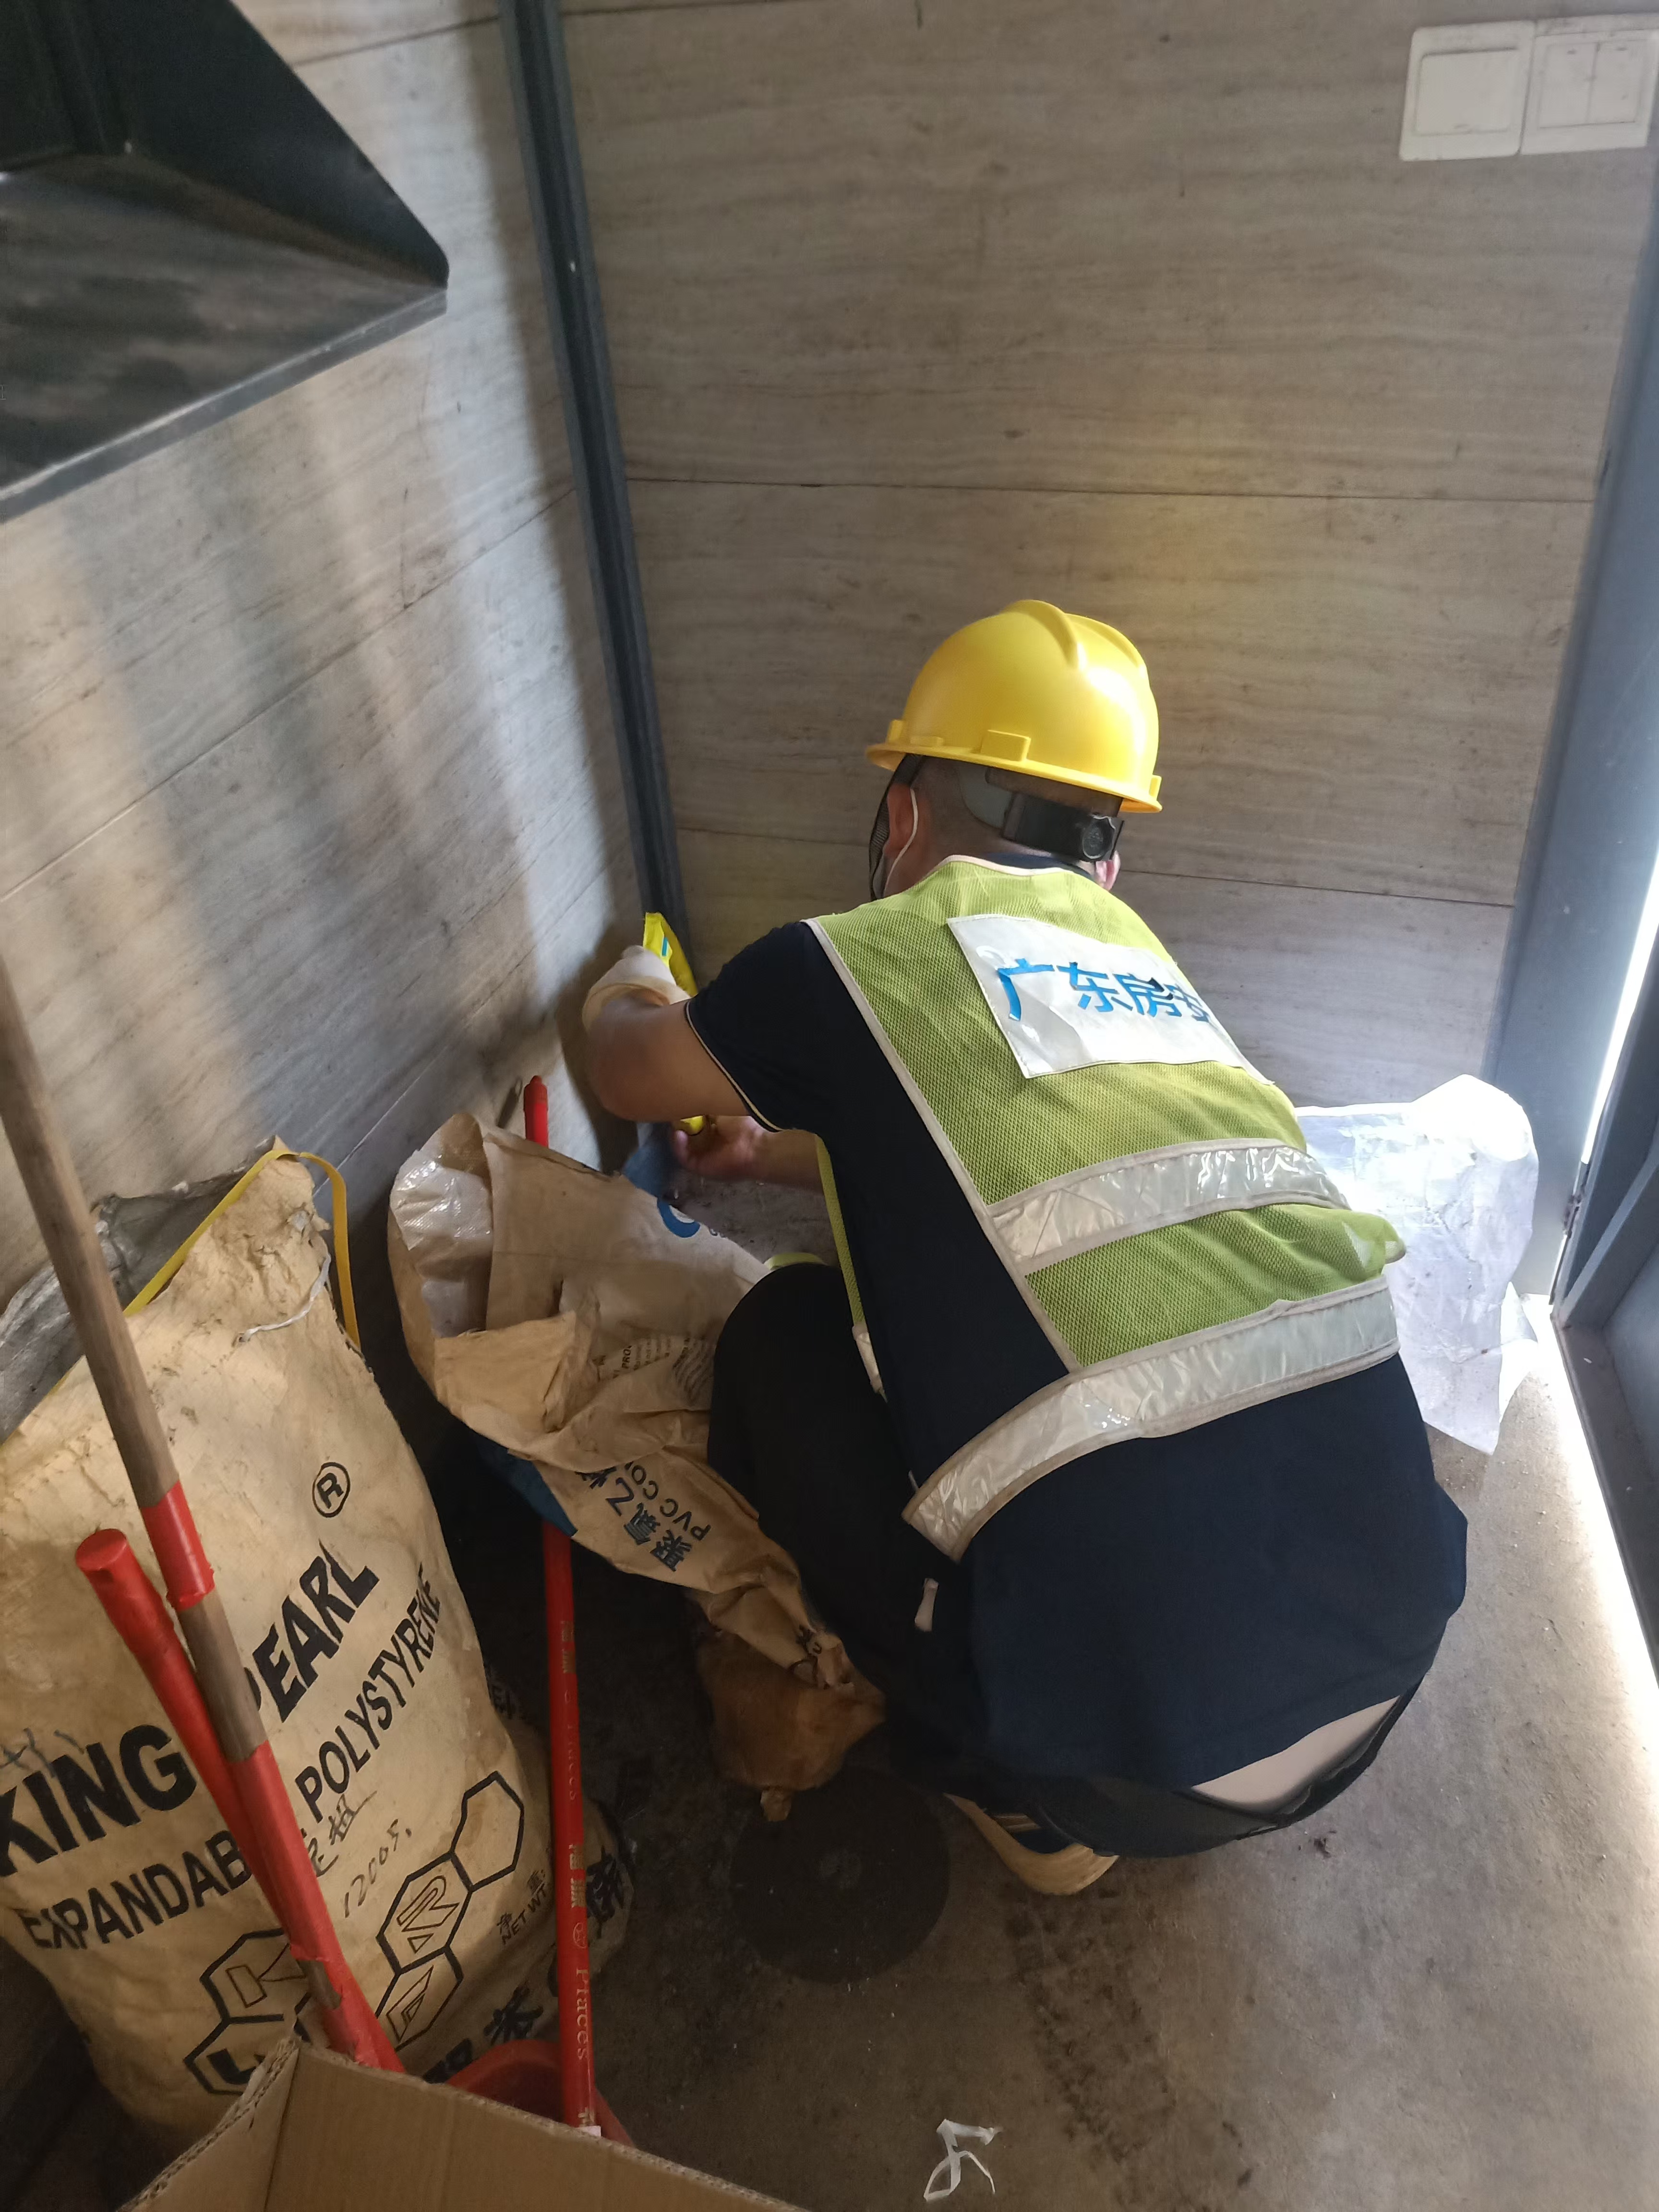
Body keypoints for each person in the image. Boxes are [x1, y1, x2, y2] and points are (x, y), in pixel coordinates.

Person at [583, 600, 1467, 1894]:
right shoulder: (1153, 979)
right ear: (1107, 862)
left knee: (781, 1333)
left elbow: (627, 1072)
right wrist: (769, 1157)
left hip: (1137, 1765)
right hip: (1387, 1656)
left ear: (902, 816)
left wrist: (633, 979)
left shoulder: (847, 958)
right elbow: (1006, 1168)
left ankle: (1016, 1785)